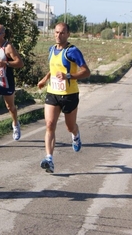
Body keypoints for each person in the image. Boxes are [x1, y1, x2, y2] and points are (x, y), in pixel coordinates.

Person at [37, 22, 90, 173]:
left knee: (69, 126)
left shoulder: (72, 51)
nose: (58, 35)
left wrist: (69, 75)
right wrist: (45, 79)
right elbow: (53, 69)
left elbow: (87, 72)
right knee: (50, 124)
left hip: (69, 95)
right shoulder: (51, 49)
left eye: (62, 33)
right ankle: (49, 159)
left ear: (68, 34)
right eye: (56, 32)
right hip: (53, 93)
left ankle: (76, 134)